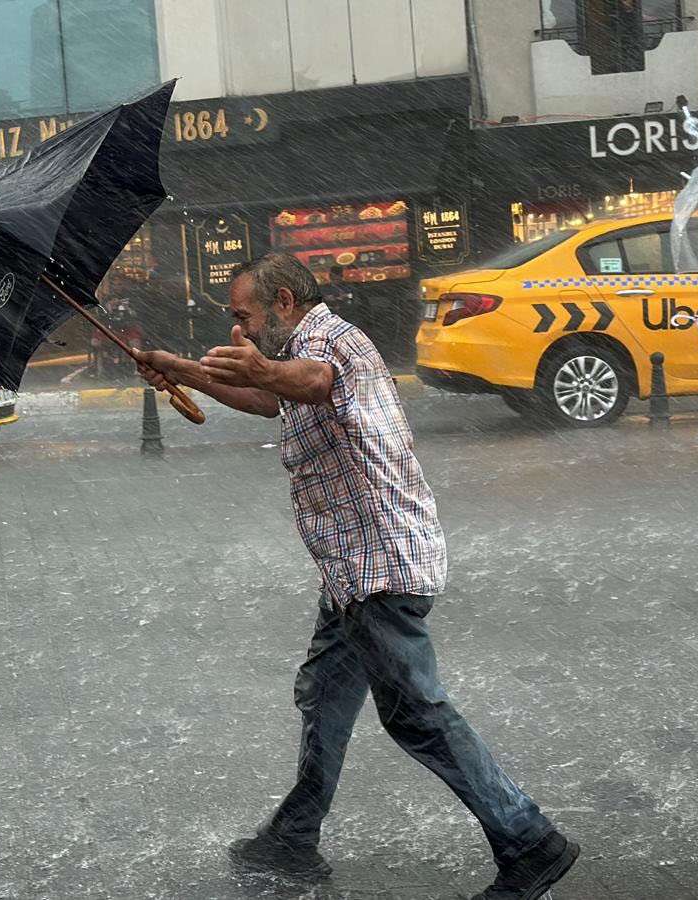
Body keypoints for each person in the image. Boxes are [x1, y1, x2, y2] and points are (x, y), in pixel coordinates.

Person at [134, 253, 578, 900]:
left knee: (417, 715)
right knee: (325, 691)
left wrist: (262, 367)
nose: (243, 330)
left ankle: (529, 841)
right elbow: (269, 396)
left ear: (283, 302)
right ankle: (295, 834)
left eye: (244, 317)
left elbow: (310, 381)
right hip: (352, 571)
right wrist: (182, 371)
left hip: (381, 567)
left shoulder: (328, 343)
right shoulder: (300, 348)